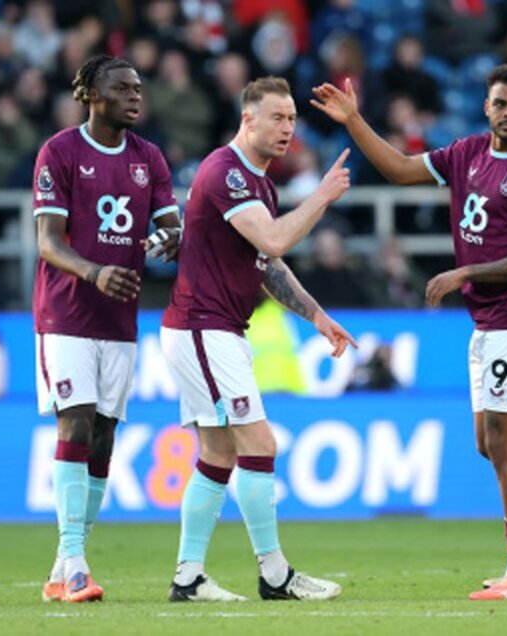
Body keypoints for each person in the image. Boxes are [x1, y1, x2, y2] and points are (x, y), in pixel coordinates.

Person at [312, 64, 507, 601]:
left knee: (506, 446)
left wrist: (465, 273)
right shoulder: (467, 152)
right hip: (490, 321)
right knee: (490, 444)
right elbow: (400, 169)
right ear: (486, 107)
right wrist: (355, 121)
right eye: (501, 104)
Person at [160, 76, 355, 603]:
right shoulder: (226, 172)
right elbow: (274, 238)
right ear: (248, 119)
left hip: (211, 328)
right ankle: (275, 575)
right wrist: (321, 197)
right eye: (277, 117)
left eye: (291, 118)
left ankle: (188, 578)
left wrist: (317, 316)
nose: (287, 128)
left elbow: (266, 262)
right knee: (260, 445)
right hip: (203, 327)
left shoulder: (259, 183)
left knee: (217, 454)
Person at [33, 54, 182, 603]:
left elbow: (172, 226)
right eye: (122, 88)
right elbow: (48, 241)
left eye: (138, 88)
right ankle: (75, 563)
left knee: (103, 436)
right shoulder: (60, 152)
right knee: (74, 424)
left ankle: (63, 565)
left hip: (119, 320)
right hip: (66, 314)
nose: (135, 96)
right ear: (92, 95)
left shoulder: (150, 157)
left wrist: (171, 239)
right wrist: (94, 272)